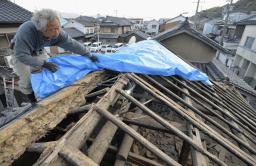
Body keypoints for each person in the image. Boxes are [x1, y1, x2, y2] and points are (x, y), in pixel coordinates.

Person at [11, 9, 97, 103]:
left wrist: (88, 54)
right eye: (53, 29)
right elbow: (21, 55)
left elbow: (73, 44)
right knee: (26, 79)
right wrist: (43, 63)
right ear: (42, 29)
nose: (57, 32)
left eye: (58, 27)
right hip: (21, 52)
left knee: (48, 71)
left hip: (38, 50)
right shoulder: (27, 31)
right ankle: (33, 101)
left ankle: (46, 94)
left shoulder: (59, 34)